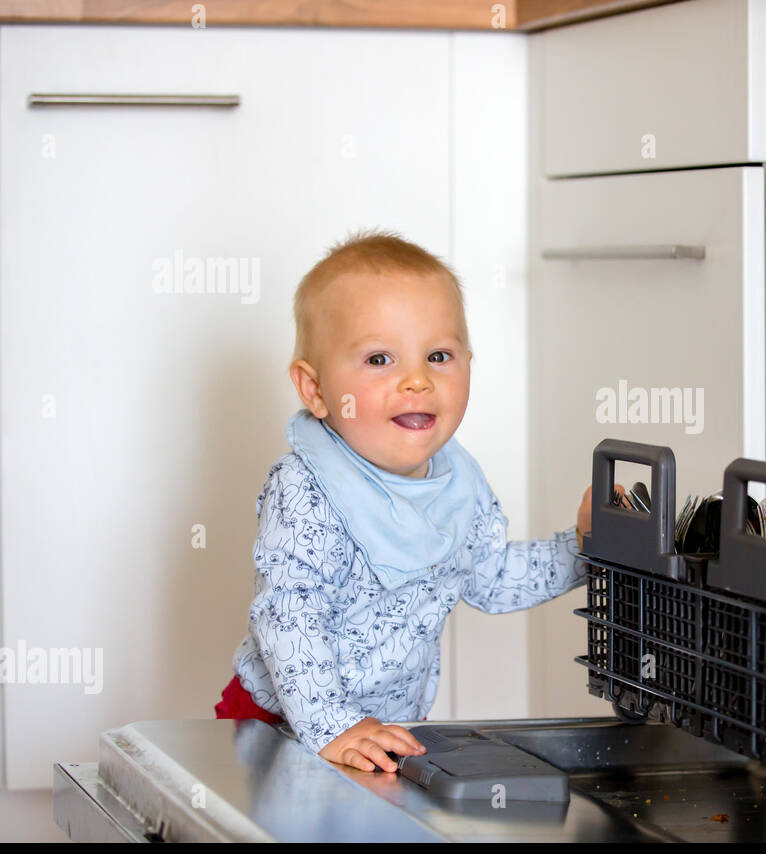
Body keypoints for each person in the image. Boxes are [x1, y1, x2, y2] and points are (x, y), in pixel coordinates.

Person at [214, 230, 608, 773]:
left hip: (382, 734)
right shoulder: (307, 488)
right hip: (276, 725)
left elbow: (490, 579)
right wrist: (334, 726)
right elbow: (289, 614)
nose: (417, 380)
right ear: (316, 390)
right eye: (380, 359)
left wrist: (585, 548)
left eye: (439, 355)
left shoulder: (458, 483)